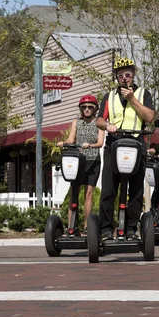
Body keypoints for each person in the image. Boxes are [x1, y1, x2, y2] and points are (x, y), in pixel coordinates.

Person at [96, 57, 155, 240]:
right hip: (114, 144)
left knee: (136, 190)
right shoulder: (109, 96)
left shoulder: (143, 93)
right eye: (120, 75)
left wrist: (132, 99)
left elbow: (150, 116)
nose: (124, 78)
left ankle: (131, 228)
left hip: (136, 144)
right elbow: (99, 120)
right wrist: (107, 126)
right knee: (108, 190)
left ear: (133, 75)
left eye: (127, 75)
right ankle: (106, 229)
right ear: (117, 78)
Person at [57, 95, 105, 231]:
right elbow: (71, 139)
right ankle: (71, 226)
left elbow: (100, 143)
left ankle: (86, 226)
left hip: (93, 161)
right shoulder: (76, 122)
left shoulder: (99, 123)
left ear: (95, 108)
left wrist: (89, 145)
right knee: (74, 192)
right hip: (78, 162)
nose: (87, 109)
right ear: (81, 109)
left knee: (88, 194)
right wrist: (64, 143)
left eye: (90, 107)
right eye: (84, 107)